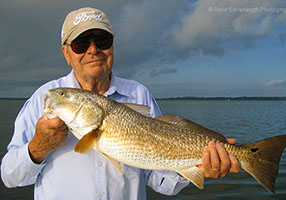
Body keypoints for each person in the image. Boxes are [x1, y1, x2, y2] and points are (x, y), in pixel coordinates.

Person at [1, 7, 240, 200]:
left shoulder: (139, 94)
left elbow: (161, 182)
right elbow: (9, 178)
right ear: (66, 53)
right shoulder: (45, 97)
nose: (93, 50)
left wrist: (200, 168)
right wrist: (37, 148)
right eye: (81, 44)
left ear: (112, 45)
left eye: (102, 40)